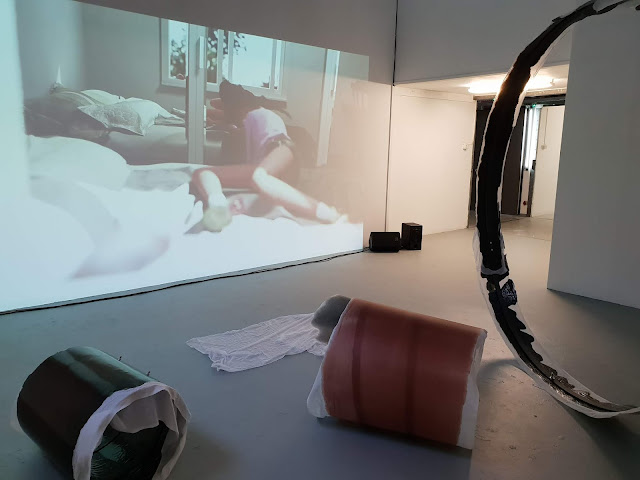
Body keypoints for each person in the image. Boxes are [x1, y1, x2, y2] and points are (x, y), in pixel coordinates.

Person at [191, 80, 345, 232]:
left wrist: (227, 124)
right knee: (203, 172)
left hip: (282, 149)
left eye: (229, 108)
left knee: (258, 177)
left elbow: (221, 111)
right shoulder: (252, 117)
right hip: (270, 161)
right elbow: (221, 112)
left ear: (241, 108)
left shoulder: (255, 114)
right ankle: (218, 204)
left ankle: (328, 213)